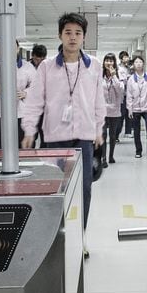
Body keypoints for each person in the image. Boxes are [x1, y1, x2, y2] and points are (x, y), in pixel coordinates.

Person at [20, 12, 104, 229]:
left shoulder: (93, 65)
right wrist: (29, 131)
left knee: (84, 188)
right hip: (55, 138)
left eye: (78, 33)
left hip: (84, 137)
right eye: (68, 33)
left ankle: (80, 235)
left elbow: (98, 101)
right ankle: (57, 233)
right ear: (60, 36)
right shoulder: (47, 67)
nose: (73, 37)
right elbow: (35, 101)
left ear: (84, 37)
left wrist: (98, 129)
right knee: (55, 188)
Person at [0, 40, 37, 149]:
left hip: (22, 113)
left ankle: (25, 166)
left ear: (17, 48)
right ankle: (2, 166)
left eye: (13, 47)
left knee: (23, 145)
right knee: (2, 145)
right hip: (0, 113)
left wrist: (26, 93)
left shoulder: (27, 66)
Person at [125, 55, 147, 160]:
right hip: (135, 108)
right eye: (136, 62)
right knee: (136, 131)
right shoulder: (131, 79)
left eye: (140, 62)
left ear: (143, 64)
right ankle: (138, 151)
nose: (138, 64)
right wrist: (129, 109)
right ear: (133, 65)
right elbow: (129, 95)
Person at [101, 53, 125, 164]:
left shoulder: (118, 75)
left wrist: (114, 76)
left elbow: (120, 91)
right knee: (103, 135)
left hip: (114, 110)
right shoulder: (99, 75)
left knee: (112, 135)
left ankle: (111, 156)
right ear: (104, 62)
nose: (109, 63)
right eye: (107, 60)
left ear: (114, 63)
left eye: (111, 61)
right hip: (102, 110)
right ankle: (103, 158)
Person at [118, 50, 132, 138]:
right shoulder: (118, 68)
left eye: (127, 57)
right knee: (122, 114)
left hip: (130, 94)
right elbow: (120, 80)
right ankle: (117, 132)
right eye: (125, 57)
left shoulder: (129, 68)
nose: (126, 59)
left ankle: (128, 132)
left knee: (129, 113)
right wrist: (127, 78)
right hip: (122, 94)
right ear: (121, 59)